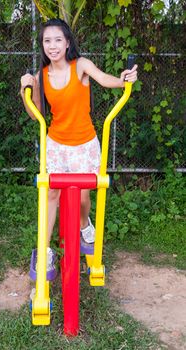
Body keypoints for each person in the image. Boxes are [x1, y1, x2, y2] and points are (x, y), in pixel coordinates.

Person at [20, 18, 138, 272]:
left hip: (84, 144)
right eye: (47, 41)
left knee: (83, 196)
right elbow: (36, 114)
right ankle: (45, 250)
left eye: (57, 40)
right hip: (57, 144)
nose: (52, 46)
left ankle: (85, 225)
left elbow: (105, 79)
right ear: (42, 45)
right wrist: (24, 90)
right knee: (51, 194)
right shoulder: (41, 75)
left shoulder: (80, 66)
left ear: (67, 43)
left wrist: (124, 80)